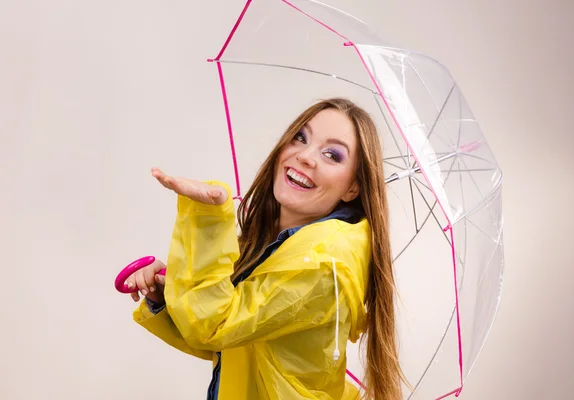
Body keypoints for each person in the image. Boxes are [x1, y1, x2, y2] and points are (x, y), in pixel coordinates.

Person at [126, 98, 407, 399]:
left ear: (354, 188)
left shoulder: (321, 265)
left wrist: (210, 215)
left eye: (332, 155)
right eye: (301, 137)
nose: (306, 157)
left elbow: (213, 324)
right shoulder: (280, 243)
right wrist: (163, 300)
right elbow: (230, 345)